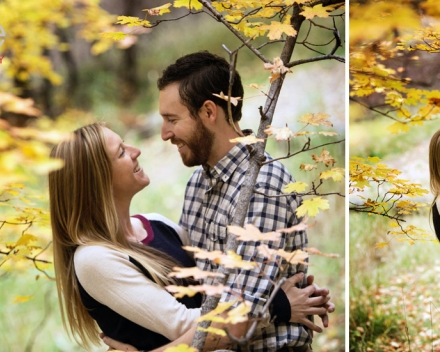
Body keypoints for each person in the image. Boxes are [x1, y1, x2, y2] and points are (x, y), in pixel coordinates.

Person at [49, 123, 330, 352]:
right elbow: (185, 326)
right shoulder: (94, 258)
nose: (136, 151)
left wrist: (302, 294)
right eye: (121, 152)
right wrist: (278, 304)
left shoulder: (157, 225)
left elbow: (216, 283)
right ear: (96, 181)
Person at [157, 51, 332, 351]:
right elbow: (193, 296)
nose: (164, 134)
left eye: (172, 119)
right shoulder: (196, 184)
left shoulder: (264, 184)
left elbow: (239, 320)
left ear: (209, 112)